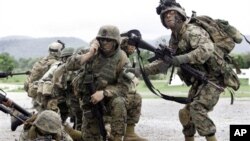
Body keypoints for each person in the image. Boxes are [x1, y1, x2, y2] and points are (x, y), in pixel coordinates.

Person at [143, 0, 226, 141]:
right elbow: (164, 64)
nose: (168, 17)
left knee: (197, 109)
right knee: (185, 115)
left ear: (180, 15)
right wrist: (140, 71)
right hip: (199, 80)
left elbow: (206, 49)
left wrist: (180, 59)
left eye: (171, 13)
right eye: (165, 15)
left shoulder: (192, 31)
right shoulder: (174, 38)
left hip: (214, 78)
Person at [65, 25, 130, 141]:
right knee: (90, 137)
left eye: (108, 40)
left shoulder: (122, 58)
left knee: (119, 102)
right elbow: (69, 65)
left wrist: (104, 93)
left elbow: (124, 87)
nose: (104, 42)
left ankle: (117, 137)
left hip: (109, 100)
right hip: (90, 101)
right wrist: (89, 54)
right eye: (101, 39)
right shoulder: (91, 51)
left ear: (115, 42)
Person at [120, 37, 147, 141]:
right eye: (131, 46)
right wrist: (132, 77)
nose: (133, 48)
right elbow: (123, 70)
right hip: (110, 90)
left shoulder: (126, 56)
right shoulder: (119, 54)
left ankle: (130, 133)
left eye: (135, 46)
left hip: (120, 88)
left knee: (135, 97)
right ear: (125, 45)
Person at [24, 40, 64, 111]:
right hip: (51, 99)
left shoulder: (39, 63)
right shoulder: (58, 64)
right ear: (59, 52)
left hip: (37, 98)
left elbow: (28, 83)